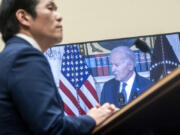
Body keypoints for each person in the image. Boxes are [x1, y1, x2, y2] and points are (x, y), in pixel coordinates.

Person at [0, 0, 116, 134]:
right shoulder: (25, 56)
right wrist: (92, 119)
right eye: (50, 8)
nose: (59, 16)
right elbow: (52, 128)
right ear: (23, 17)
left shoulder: (10, 56)